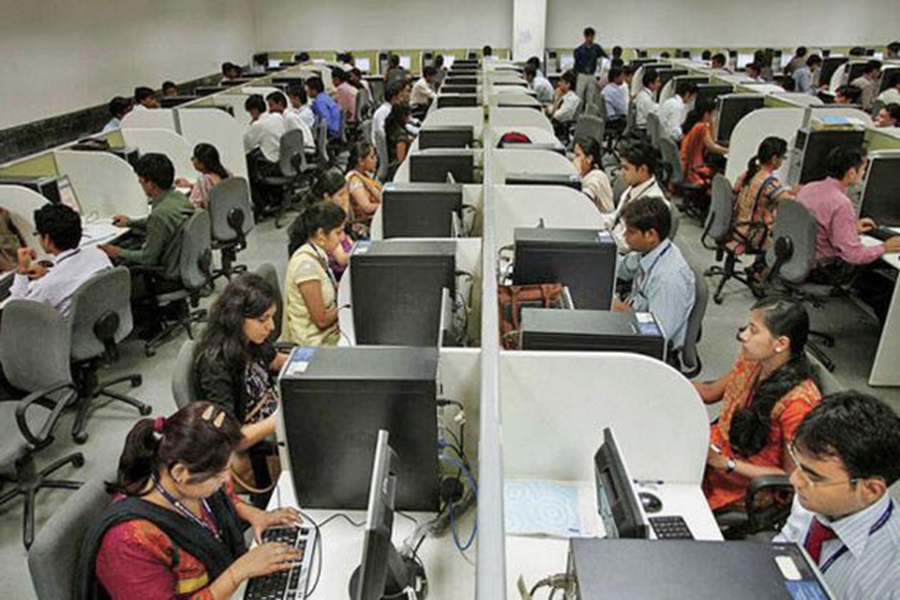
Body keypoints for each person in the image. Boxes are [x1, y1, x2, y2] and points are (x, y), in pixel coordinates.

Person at [79, 402, 304, 600]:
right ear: (180, 473)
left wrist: (255, 515)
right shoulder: (128, 544)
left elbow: (224, 498)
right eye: (219, 473)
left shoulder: (185, 482)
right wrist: (237, 573)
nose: (227, 479)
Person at [695, 299, 821, 512]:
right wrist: (663, 377)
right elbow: (710, 392)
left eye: (753, 331)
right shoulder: (753, 361)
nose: (743, 336)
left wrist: (725, 463)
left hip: (744, 483)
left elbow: (792, 477)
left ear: (781, 343)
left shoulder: (798, 403)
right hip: (714, 452)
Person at [774, 391, 900, 600]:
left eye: (813, 476)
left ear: (870, 490)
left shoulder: (891, 574)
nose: (795, 480)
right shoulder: (811, 499)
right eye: (799, 466)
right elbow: (784, 545)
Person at [193, 274, 286, 494]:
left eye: (272, 317)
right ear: (237, 319)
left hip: (272, 421)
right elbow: (234, 439)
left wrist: (313, 359)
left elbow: (274, 361)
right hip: (256, 446)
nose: (271, 326)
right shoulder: (216, 364)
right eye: (263, 319)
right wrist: (282, 417)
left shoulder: (251, 339)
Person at [796, 146, 900, 282]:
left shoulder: (809, 187)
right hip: (821, 270)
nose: (864, 174)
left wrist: (850, 228)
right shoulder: (841, 203)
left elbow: (818, 229)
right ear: (851, 173)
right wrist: (885, 247)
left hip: (797, 259)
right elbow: (854, 255)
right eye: (863, 169)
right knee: (878, 268)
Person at [612, 196, 695, 354]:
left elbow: (658, 335)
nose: (624, 236)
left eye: (631, 232)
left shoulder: (669, 278)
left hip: (650, 352)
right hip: (633, 320)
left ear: (650, 235)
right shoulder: (648, 252)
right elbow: (622, 268)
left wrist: (619, 309)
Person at [100, 154, 194, 285]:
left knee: (119, 263)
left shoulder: (160, 214)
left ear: (151, 184)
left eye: (141, 181)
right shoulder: (178, 197)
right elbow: (161, 223)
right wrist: (130, 222)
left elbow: (148, 258)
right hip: (186, 264)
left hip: (169, 274)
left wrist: (117, 252)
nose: (140, 184)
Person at [10, 203, 111, 317]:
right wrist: (50, 272)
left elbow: (15, 313)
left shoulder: (46, 286)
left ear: (47, 239)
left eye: (37, 234)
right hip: (104, 320)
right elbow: (72, 275)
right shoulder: (98, 254)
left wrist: (22, 270)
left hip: (67, 328)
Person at [283, 202, 345, 346]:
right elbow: (321, 321)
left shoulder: (317, 253)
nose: (342, 238)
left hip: (329, 334)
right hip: (315, 343)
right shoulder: (306, 267)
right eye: (338, 233)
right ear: (321, 234)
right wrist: (349, 305)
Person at [730, 137, 797, 257]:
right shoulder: (768, 182)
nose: (782, 161)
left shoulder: (750, 173)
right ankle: (763, 266)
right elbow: (791, 203)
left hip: (737, 227)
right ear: (774, 159)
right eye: (783, 158)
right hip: (752, 233)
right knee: (788, 249)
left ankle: (759, 264)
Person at [602, 140, 669, 253]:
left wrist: (603, 238)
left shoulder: (653, 203)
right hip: (614, 240)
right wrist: (594, 219)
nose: (621, 173)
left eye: (626, 168)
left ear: (643, 170)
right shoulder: (634, 187)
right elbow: (616, 218)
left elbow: (629, 244)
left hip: (624, 253)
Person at [242, 94, 284, 212]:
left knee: (249, 168)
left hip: (273, 165)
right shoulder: (277, 117)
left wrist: (251, 125)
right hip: (284, 161)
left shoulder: (258, 125)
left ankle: (262, 204)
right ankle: (276, 197)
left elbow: (246, 145)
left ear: (254, 111)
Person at [680, 99, 728, 188]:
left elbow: (712, 140)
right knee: (720, 172)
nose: (714, 117)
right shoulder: (701, 127)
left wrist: (711, 124)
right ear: (706, 114)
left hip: (687, 167)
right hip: (694, 170)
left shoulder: (695, 124)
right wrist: (729, 151)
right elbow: (712, 147)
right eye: (713, 114)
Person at [174, 143, 231, 209]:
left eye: (194, 158)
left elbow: (192, 206)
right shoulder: (228, 173)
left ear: (202, 163)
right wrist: (191, 185)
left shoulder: (203, 181)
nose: (191, 159)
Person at [572, 138, 613, 214]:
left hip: (603, 219)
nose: (574, 159)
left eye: (578, 155)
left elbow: (581, 201)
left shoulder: (596, 178)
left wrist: (576, 175)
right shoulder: (586, 173)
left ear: (589, 159)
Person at [346, 142, 382, 223]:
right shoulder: (354, 180)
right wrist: (385, 205)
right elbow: (366, 207)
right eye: (372, 157)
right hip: (366, 223)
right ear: (361, 161)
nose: (376, 160)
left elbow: (380, 197)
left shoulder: (363, 176)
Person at [384, 102, 414, 180]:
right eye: (408, 115)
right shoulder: (400, 136)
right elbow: (401, 160)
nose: (410, 117)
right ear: (403, 116)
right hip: (397, 172)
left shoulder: (392, 128)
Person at [548, 71, 581, 136]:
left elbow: (556, 116)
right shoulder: (565, 96)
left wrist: (557, 98)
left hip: (560, 128)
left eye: (561, 82)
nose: (559, 84)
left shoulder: (571, 99)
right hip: (556, 124)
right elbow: (551, 110)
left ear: (568, 85)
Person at [372, 80, 404, 145]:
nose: (402, 99)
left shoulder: (393, 109)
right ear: (394, 98)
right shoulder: (383, 111)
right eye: (401, 96)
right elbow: (381, 132)